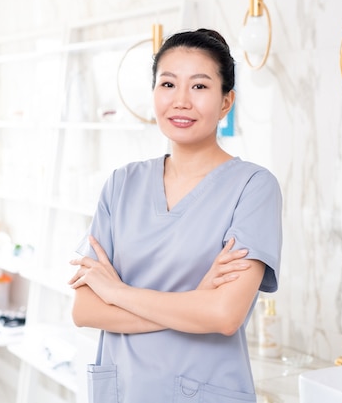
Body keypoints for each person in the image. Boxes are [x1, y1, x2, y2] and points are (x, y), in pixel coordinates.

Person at [68, 28, 282, 403]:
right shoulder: (122, 184)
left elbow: (223, 315)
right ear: (154, 93)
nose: (181, 100)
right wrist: (194, 301)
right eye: (168, 84)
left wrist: (117, 293)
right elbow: (85, 309)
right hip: (123, 390)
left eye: (199, 87)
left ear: (226, 102)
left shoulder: (253, 187)